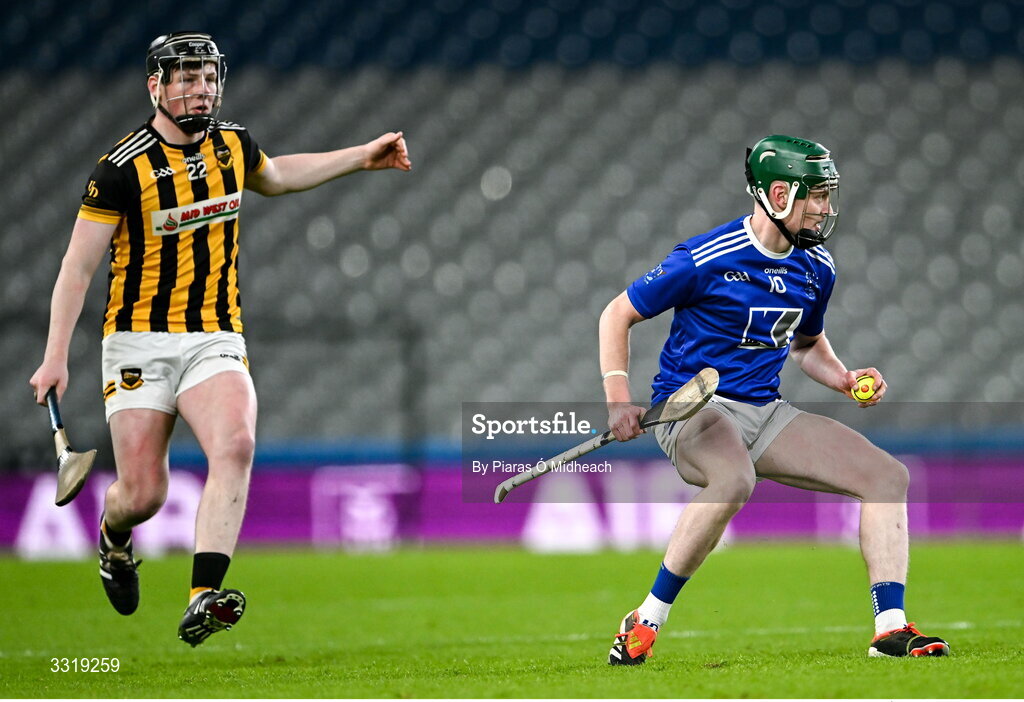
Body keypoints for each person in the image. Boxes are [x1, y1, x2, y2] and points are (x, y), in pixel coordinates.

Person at [29, 32, 411, 647]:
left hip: (214, 335)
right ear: (155, 86)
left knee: (235, 442)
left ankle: (203, 594)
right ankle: (113, 534)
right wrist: (55, 356)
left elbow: (279, 175)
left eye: (207, 76)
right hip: (136, 342)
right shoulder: (119, 170)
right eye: (185, 77)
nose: (200, 88)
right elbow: (77, 267)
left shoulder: (234, 143)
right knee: (144, 493)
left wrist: (361, 156)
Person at [600, 135, 948, 664]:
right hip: (692, 408)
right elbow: (616, 314)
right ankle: (645, 619)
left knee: (887, 477)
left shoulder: (817, 267)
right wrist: (618, 399)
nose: (827, 208)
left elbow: (806, 345)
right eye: (817, 195)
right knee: (733, 480)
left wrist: (845, 377)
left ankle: (891, 629)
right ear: (779, 194)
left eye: (828, 195)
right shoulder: (705, 258)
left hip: (765, 413)